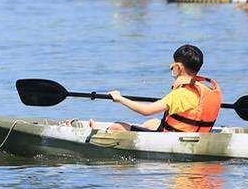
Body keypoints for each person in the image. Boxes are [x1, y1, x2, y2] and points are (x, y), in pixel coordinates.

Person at [90, 43, 222, 133]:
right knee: (151, 123)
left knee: (117, 127)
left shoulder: (180, 94)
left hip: (172, 140)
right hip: (194, 135)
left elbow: (146, 110)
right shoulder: (206, 90)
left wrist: (120, 99)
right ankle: (126, 128)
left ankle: (99, 130)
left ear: (178, 67)